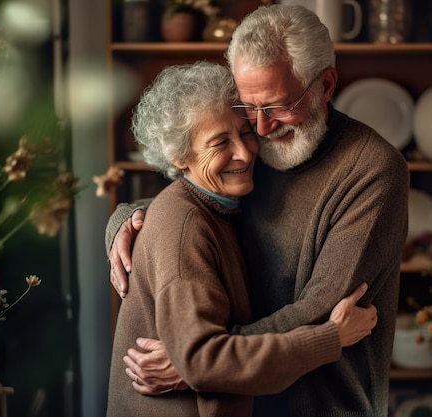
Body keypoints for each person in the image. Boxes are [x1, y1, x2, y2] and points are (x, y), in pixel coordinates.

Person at [106, 5, 409, 416]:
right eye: (250, 108)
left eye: (279, 105)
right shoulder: (250, 145)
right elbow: (195, 196)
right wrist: (125, 219)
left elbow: (321, 312)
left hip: (321, 404)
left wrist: (197, 363)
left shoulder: (374, 170)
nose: (261, 131)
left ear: (325, 85)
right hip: (241, 402)